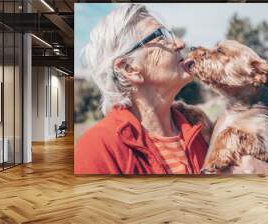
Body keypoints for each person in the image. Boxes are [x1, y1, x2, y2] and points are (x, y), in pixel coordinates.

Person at [75, 4, 209, 174]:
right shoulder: (98, 150)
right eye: (162, 37)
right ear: (129, 68)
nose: (180, 43)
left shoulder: (200, 128)